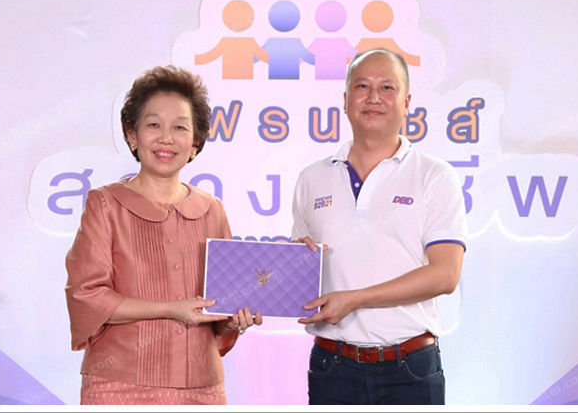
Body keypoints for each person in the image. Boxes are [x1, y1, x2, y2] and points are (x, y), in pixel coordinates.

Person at [65, 66, 262, 405]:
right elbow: (87, 296)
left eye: (180, 127)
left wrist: (233, 321)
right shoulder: (105, 204)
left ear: (195, 142)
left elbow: (218, 313)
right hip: (118, 386)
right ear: (132, 134)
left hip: (202, 389)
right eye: (153, 125)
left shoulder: (212, 210)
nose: (166, 138)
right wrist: (171, 309)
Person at [292, 48, 467, 405]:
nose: (373, 97)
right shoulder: (311, 178)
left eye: (387, 87)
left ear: (406, 102)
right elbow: (301, 271)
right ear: (345, 100)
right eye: (362, 86)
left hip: (410, 368)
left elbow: (445, 275)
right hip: (331, 366)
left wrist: (355, 299)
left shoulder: (434, 176)